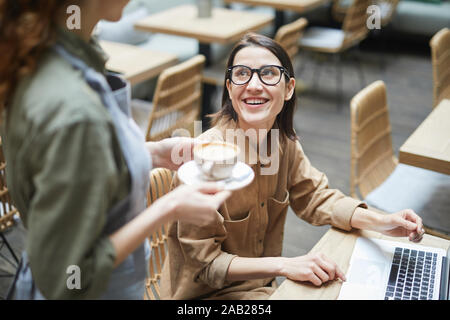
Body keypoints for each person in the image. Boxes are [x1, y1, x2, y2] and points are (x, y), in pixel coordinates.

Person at [160, 33, 426, 300]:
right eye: (242, 74)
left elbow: (314, 196)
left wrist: (381, 222)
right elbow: (205, 265)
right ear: (229, 88)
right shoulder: (204, 160)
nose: (253, 85)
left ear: (288, 89)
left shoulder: (281, 142)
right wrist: (285, 265)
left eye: (268, 73)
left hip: (263, 287)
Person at [0, 0, 230, 299]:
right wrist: (168, 207)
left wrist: (154, 153)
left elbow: (78, 168)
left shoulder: (52, 53)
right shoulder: (73, 110)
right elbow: (69, 276)